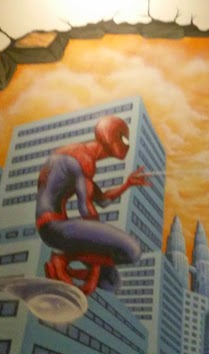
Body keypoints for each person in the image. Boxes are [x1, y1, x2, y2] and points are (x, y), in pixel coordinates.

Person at [35, 115, 149, 295]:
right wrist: (95, 269)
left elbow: (102, 200)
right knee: (133, 251)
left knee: (112, 282)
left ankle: (64, 264)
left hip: (53, 228)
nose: (127, 145)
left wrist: (127, 184)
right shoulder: (83, 158)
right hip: (54, 226)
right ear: (113, 135)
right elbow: (85, 209)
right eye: (124, 139)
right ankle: (62, 261)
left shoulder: (76, 158)